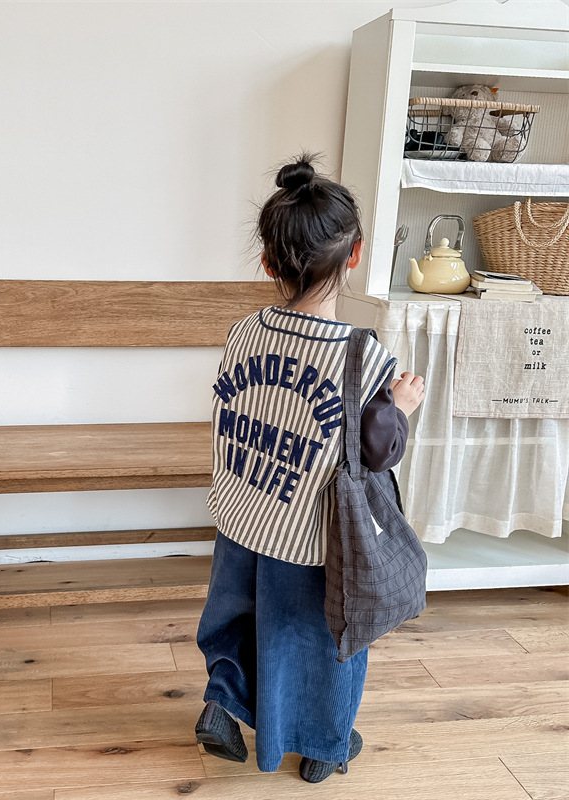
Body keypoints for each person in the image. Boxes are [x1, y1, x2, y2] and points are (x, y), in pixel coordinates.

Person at [194, 154, 425, 783]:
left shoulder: (244, 332)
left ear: (269, 264)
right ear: (355, 256)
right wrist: (399, 406)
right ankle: (324, 744)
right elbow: (375, 451)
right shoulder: (361, 357)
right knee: (323, 643)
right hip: (312, 540)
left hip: (241, 515)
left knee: (237, 620)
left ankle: (222, 701)